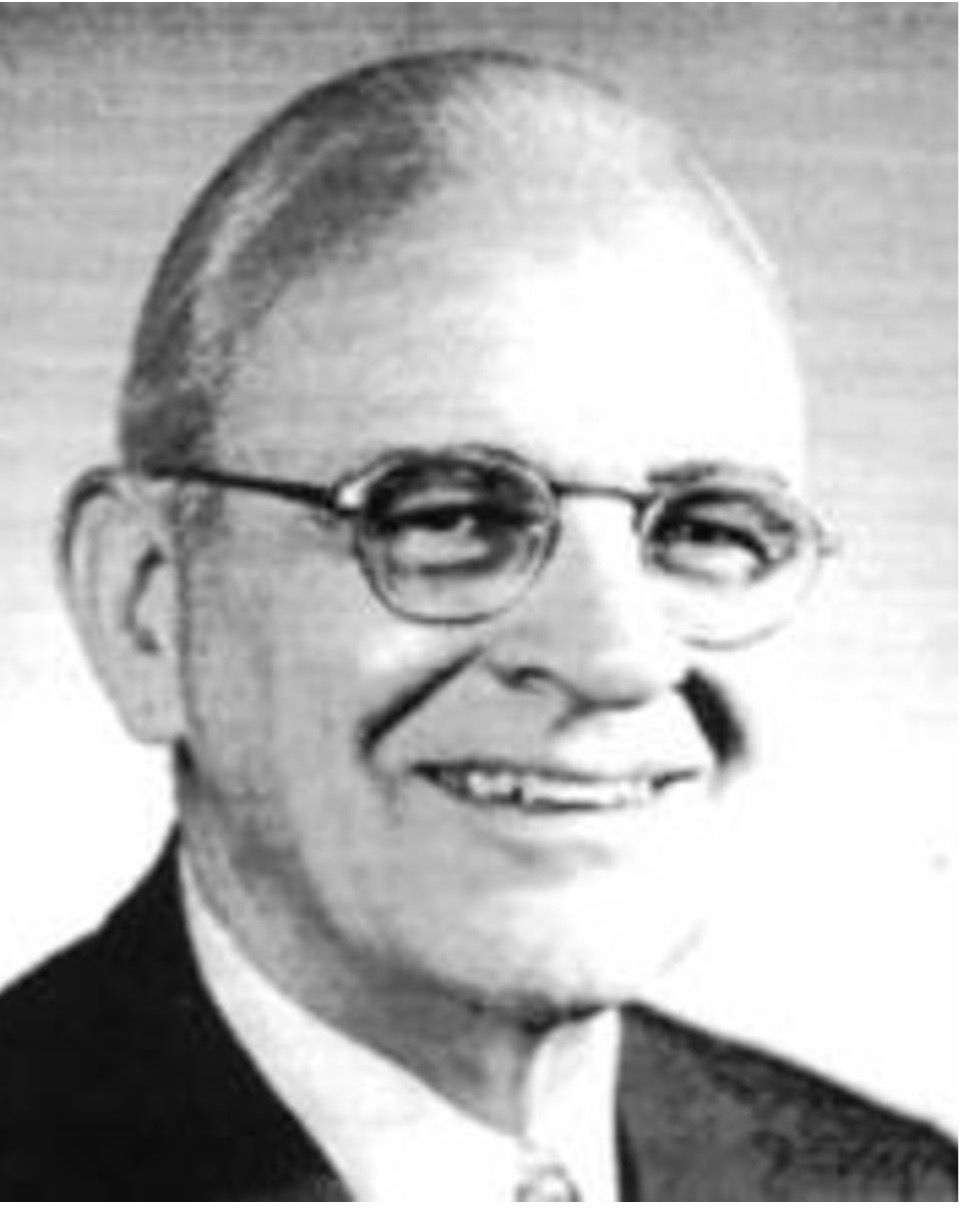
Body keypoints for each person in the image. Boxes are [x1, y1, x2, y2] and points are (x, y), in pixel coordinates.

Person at [0, 48, 955, 1201]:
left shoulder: (887, 1184)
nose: (619, 655)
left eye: (705, 529)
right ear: (146, 603)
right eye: (448, 515)